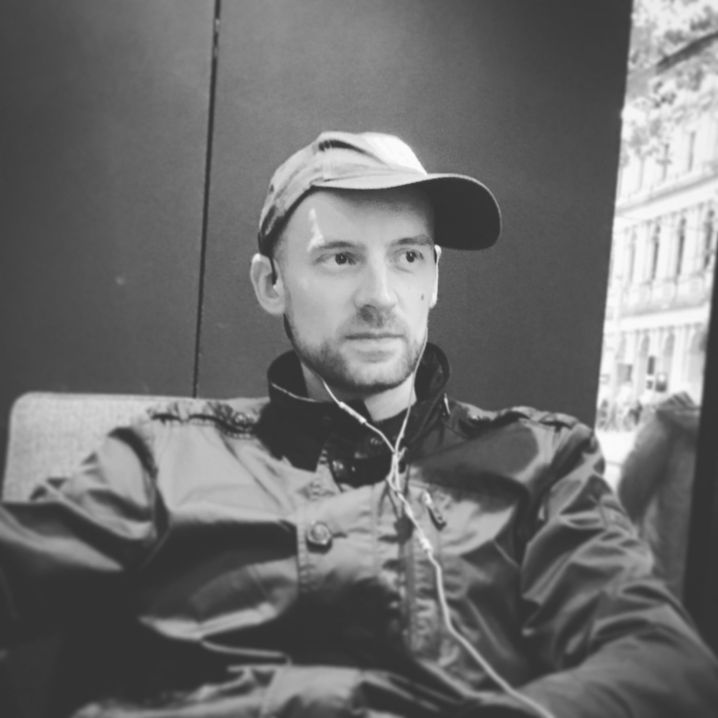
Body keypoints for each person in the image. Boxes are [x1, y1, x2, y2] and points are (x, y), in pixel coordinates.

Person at [1, 130, 717, 718]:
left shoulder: (542, 462)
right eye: (340, 257)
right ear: (271, 283)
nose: (381, 295)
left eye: (407, 257)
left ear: (433, 278)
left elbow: (665, 665)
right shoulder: (166, 456)